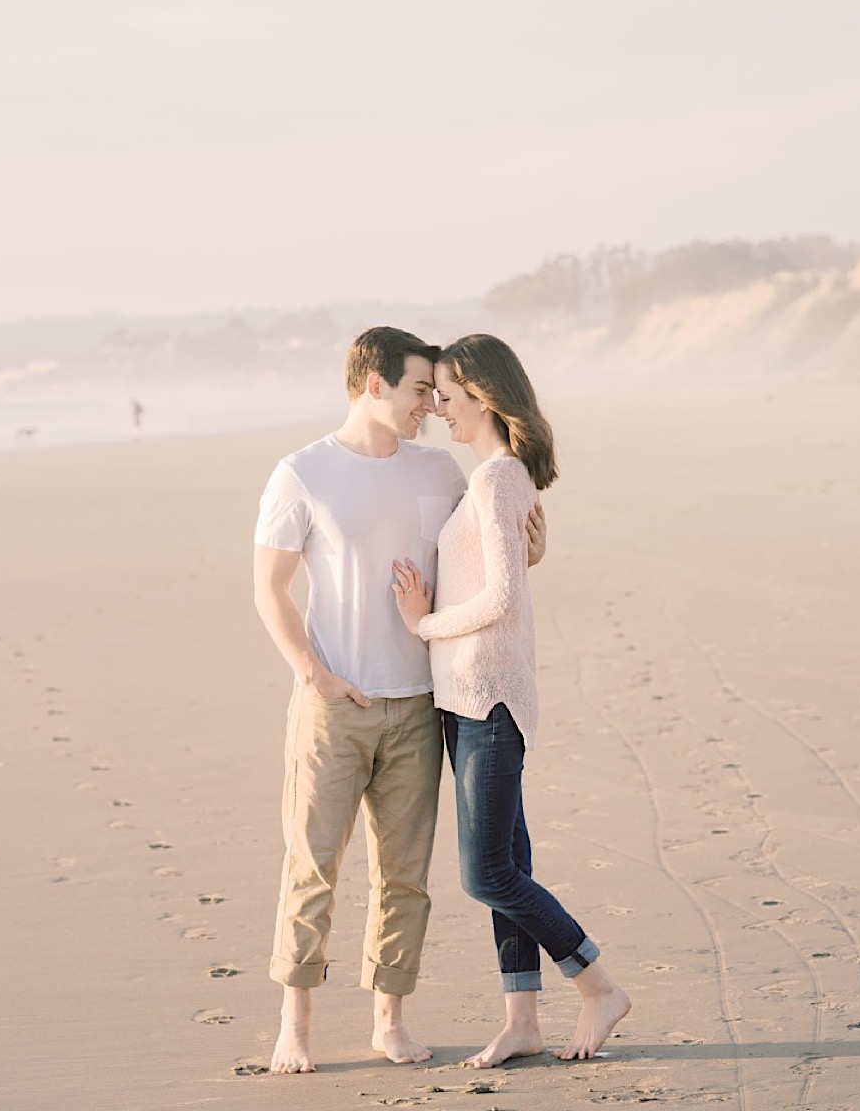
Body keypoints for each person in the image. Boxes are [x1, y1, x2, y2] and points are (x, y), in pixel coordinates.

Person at [253, 326, 545, 1075]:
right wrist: (314, 675)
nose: (432, 404)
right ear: (373, 385)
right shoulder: (303, 473)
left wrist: (533, 545)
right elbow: (269, 588)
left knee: (404, 876)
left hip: (420, 704)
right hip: (333, 705)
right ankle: (296, 1022)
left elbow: (488, 549)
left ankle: (390, 1018)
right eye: (421, 389)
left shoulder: (442, 472)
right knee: (313, 868)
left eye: (435, 392)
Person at [392, 333, 631, 1068]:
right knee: (511, 864)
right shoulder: (497, 478)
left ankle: (597, 983)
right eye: (431, 397)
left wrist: (420, 624)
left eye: (450, 398)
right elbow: (507, 574)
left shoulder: (496, 480)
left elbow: (496, 598)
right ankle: (522, 1020)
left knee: (486, 873)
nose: (438, 411)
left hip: (489, 700)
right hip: (466, 699)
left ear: (486, 397)